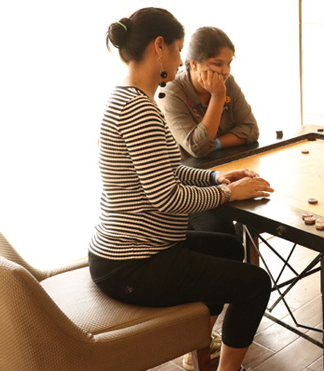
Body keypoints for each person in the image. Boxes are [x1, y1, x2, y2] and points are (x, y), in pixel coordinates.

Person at [90, 8, 273, 371]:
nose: (179, 61)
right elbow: (167, 198)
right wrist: (228, 194)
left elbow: (169, 170)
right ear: (159, 47)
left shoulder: (126, 99)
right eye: (177, 50)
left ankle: (198, 343)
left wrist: (216, 178)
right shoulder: (140, 110)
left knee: (229, 248)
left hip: (126, 255)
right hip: (133, 265)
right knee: (256, 283)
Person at [158, 26, 258, 159]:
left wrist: (216, 144)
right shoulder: (171, 91)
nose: (226, 71)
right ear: (194, 65)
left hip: (227, 165)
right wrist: (218, 97)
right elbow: (198, 148)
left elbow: (251, 130)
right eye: (218, 64)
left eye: (228, 64)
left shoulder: (228, 82)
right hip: (192, 174)